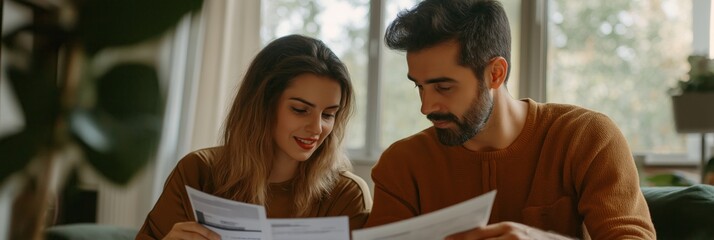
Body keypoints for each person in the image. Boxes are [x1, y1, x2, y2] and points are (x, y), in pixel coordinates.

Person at [364, 0, 655, 239]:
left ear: (495, 74)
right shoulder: (401, 164)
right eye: (419, 86)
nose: (426, 107)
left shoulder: (587, 137)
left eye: (443, 87)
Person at [137, 34, 372, 240]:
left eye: (329, 114)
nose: (317, 128)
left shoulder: (346, 194)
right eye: (300, 110)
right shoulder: (198, 172)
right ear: (262, 105)